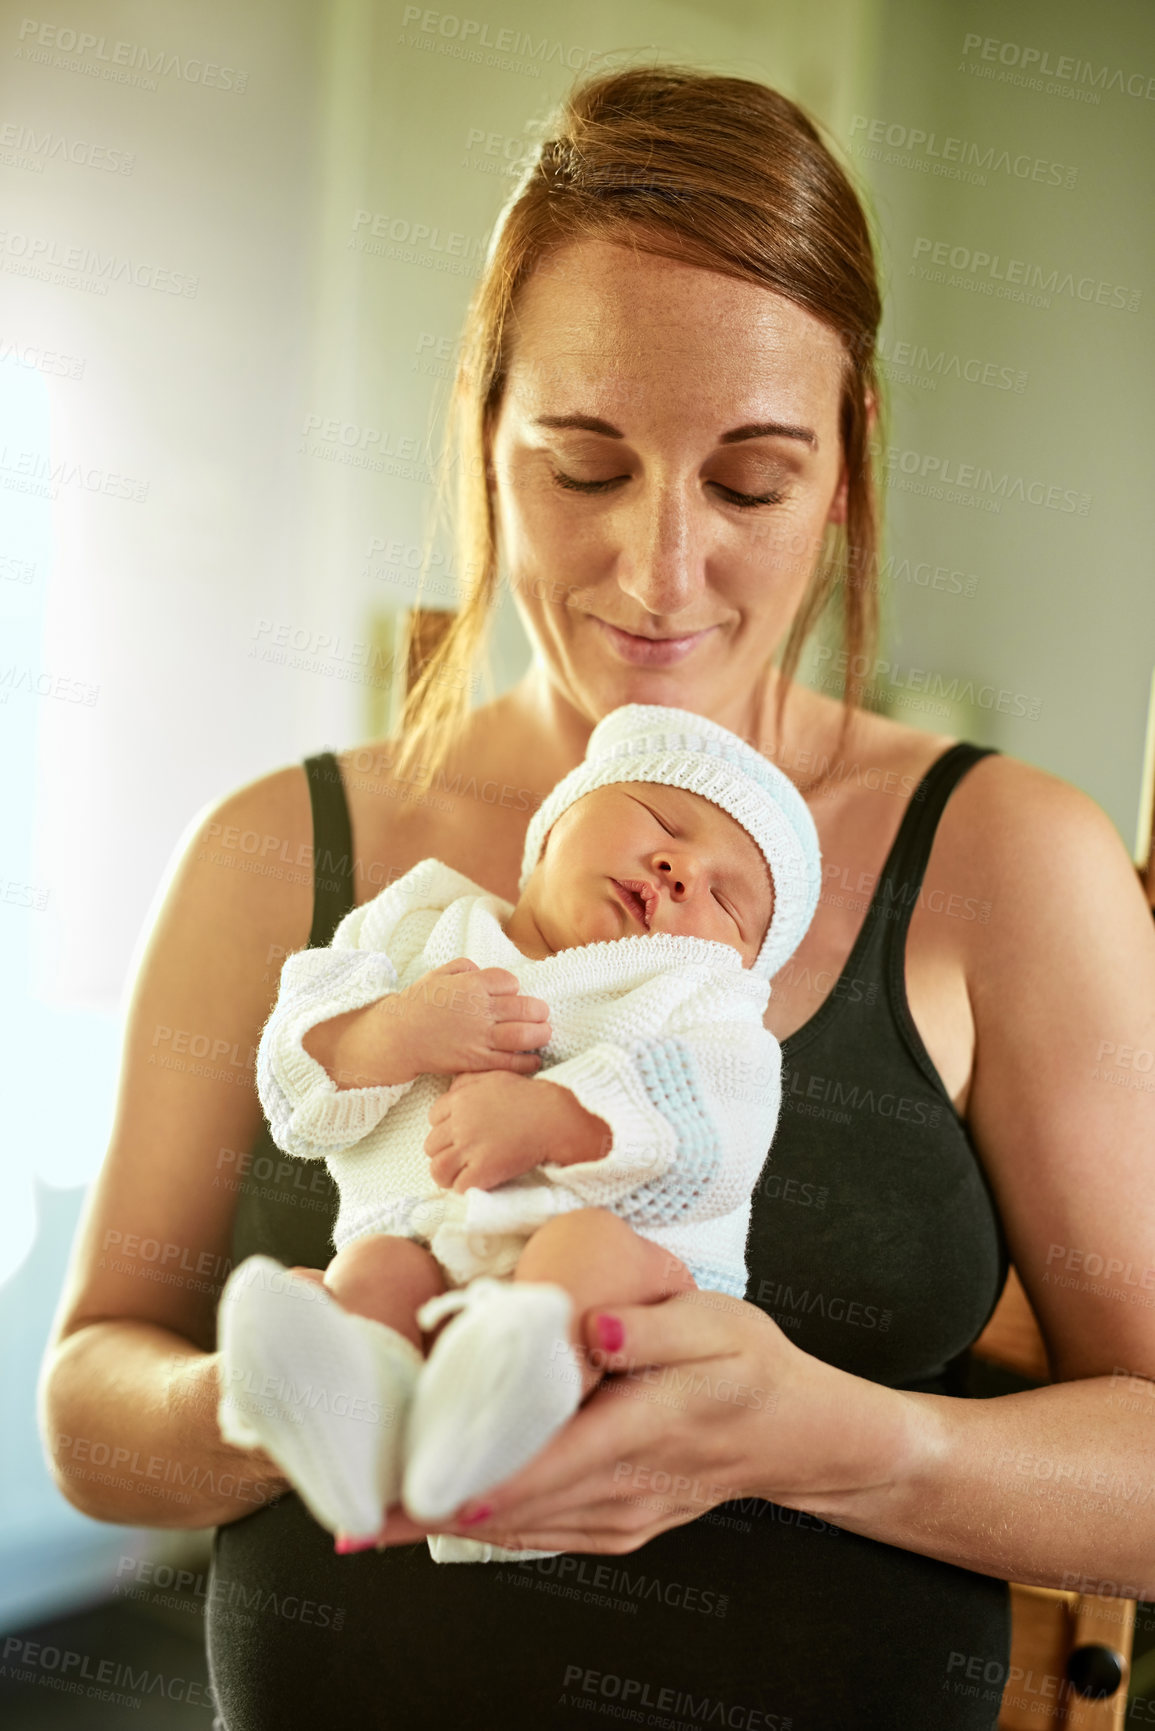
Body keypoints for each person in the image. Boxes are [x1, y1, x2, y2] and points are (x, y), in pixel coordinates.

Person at [38, 62, 1155, 1731]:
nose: (658, 570)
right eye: (582, 464)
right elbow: (91, 1410)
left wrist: (849, 1443)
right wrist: (308, 1404)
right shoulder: (281, 849)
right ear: (483, 435)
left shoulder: (1010, 860)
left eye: (752, 483)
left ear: (844, 472)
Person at [215, 703, 820, 1559]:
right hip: (426, 1247)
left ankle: (504, 1408)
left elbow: (721, 1127)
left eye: (727, 898)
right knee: (370, 1272)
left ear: (738, 959)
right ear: (553, 822)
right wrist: (390, 1031)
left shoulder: (702, 1000)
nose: (681, 868)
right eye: (660, 820)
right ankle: (360, 1441)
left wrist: (556, 1118)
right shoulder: (421, 923)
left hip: (628, 1277)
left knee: (580, 1252)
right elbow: (294, 1080)